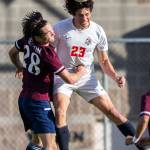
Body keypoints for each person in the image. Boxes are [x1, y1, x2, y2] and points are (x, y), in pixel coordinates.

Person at [52, 0, 145, 150]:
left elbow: (104, 61)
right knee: (60, 111)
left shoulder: (97, 31)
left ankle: (142, 147)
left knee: (113, 112)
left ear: (91, 12)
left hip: (86, 78)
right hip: (64, 77)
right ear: (73, 14)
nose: (85, 19)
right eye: (80, 15)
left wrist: (115, 77)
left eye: (87, 15)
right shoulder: (60, 28)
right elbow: (49, 53)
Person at [9, 11, 86, 150]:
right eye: (49, 33)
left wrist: (19, 66)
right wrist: (81, 71)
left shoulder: (28, 39)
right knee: (50, 147)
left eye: (52, 30)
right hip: (38, 104)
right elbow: (70, 79)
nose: (53, 34)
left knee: (37, 142)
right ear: (39, 37)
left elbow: (12, 52)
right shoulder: (48, 55)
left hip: (24, 101)